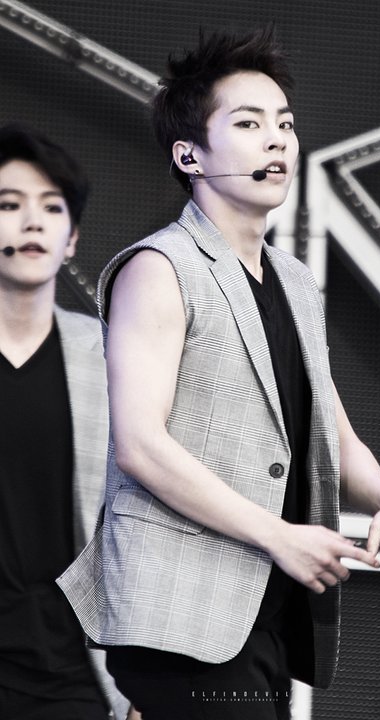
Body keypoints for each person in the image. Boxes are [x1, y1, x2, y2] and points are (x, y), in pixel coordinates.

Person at [58, 27, 380, 720]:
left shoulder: (294, 281)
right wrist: (280, 535)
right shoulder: (160, 268)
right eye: (250, 124)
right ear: (189, 155)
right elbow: (140, 446)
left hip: (264, 610)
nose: (277, 141)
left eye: (284, 124)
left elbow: (330, 428)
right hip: (179, 608)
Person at [0, 124, 138, 720]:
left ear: (72, 238)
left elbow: (147, 523)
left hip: (72, 673)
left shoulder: (111, 358)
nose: (33, 222)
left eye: (52, 208)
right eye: (9, 205)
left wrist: (145, 683)